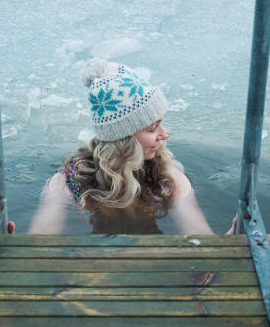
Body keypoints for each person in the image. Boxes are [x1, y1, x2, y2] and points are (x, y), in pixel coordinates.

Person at [27, 59, 222, 235]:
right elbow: (41, 239)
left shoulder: (166, 179)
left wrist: (226, 244)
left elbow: (200, 236)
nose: (164, 134)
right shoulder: (72, 180)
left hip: (153, 261)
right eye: (153, 128)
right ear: (123, 140)